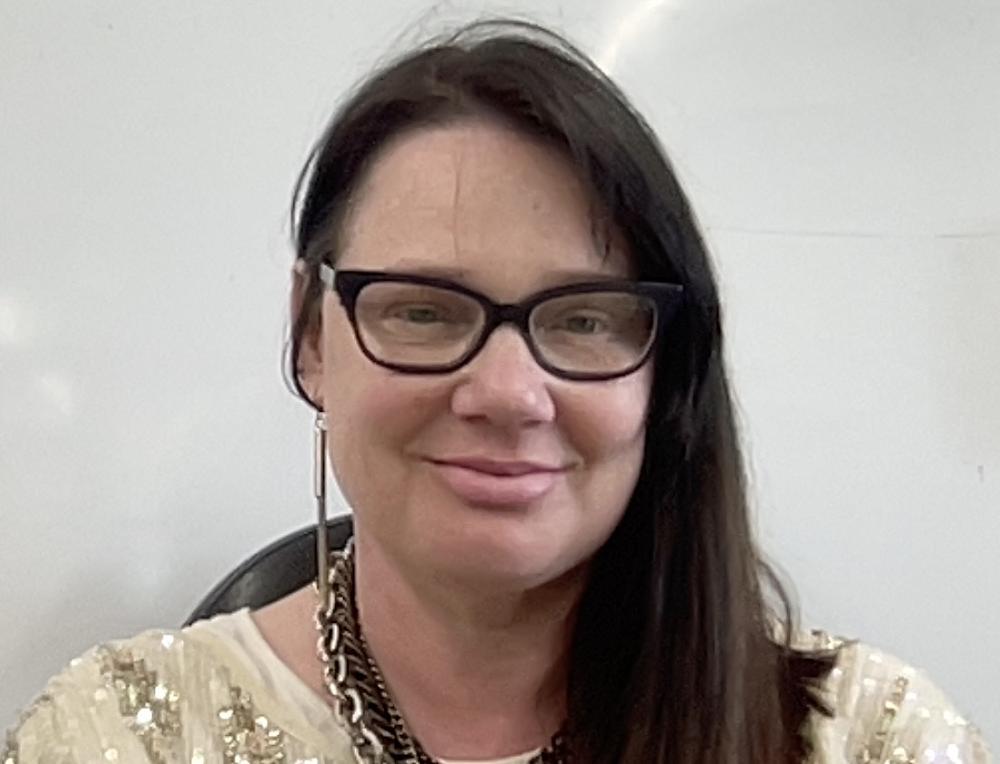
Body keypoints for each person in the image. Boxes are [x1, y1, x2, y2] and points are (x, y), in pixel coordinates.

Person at [3, 19, 991, 764]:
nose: (510, 393)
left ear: (666, 369)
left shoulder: (872, 736)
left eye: (585, 319)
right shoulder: (113, 735)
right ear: (310, 336)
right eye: (423, 310)